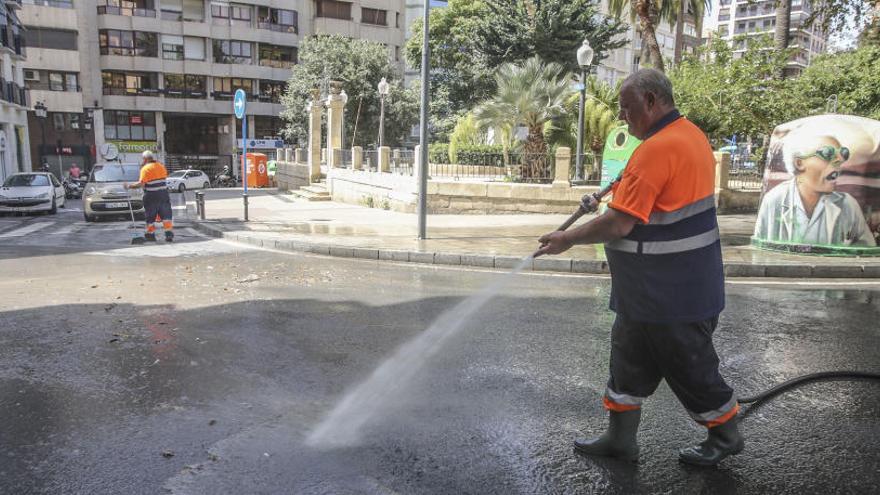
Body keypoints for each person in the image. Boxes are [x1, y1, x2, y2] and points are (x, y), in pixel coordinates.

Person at [536, 69, 742, 466]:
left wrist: (567, 238)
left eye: (626, 107)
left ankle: (726, 435)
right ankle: (620, 440)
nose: (622, 115)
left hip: (671, 295)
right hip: (651, 292)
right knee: (627, 361)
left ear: (651, 101)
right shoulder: (689, 136)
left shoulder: (659, 148)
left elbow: (619, 223)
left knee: (690, 367)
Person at [754, 130, 875, 247]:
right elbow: (761, 247)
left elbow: (866, 246)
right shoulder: (774, 201)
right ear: (799, 163)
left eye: (843, 153)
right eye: (828, 153)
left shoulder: (847, 205)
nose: (839, 161)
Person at [124, 151, 174, 242]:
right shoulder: (161, 166)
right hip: (163, 194)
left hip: (151, 195)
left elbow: (141, 183)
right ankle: (168, 233)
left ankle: (150, 234)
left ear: (145, 159)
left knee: (150, 215)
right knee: (166, 213)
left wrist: (129, 186)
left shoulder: (145, 169)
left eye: (143, 159)